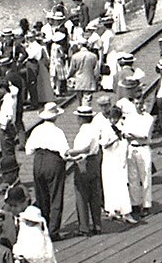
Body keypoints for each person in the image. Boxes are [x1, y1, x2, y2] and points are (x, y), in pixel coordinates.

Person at [25, 103, 70, 240]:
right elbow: (64, 152)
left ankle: (42, 226)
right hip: (53, 161)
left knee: (41, 195)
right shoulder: (58, 132)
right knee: (55, 196)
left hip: (39, 160)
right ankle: (53, 231)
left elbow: (28, 150)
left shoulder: (37, 130)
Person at [116, 79, 153, 218]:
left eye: (139, 103)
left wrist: (132, 134)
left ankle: (147, 203)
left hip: (143, 148)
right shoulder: (129, 115)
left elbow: (144, 135)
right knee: (132, 177)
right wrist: (129, 134)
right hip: (131, 147)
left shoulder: (147, 118)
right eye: (135, 103)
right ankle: (136, 202)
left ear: (143, 105)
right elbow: (124, 131)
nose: (137, 106)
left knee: (145, 176)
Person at [68, 105, 103, 236]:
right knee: (95, 195)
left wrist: (70, 153)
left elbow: (83, 150)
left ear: (81, 119)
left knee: (81, 195)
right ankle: (97, 224)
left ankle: (84, 227)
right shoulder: (95, 129)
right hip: (94, 162)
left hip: (84, 163)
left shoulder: (83, 132)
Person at [99, 105, 137, 224]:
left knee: (121, 185)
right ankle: (113, 210)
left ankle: (124, 211)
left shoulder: (121, 126)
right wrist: (115, 137)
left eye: (116, 118)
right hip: (110, 159)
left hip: (120, 159)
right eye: (112, 118)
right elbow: (104, 144)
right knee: (110, 185)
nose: (114, 120)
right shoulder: (105, 128)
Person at [67, 40, 98, 107]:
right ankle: (86, 111)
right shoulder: (93, 56)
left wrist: (68, 76)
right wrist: (96, 80)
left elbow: (72, 69)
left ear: (80, 45)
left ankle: (80, 111)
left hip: (78, 80)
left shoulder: (75, 56)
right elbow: (96, 70)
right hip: (89, 80)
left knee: (79, 99)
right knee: (87, 99)